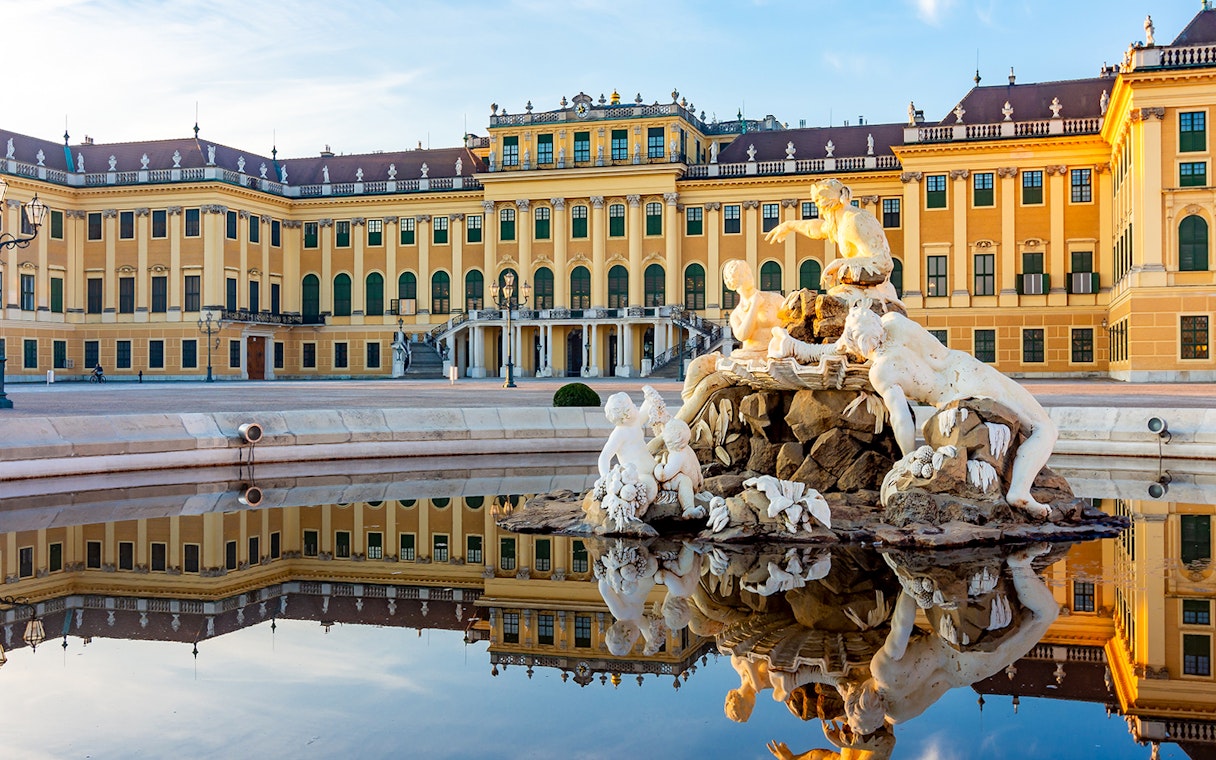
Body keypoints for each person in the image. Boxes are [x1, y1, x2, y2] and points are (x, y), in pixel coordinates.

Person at [723, 259, 785, 358]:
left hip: (776, 353)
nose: (750, 276)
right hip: (750, 355)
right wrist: (755, 305)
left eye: (749, 272)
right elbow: (743, 336)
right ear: (735, 281)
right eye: (744, 274)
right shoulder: (736, 314)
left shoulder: (774, 299)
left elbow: (792, 323)